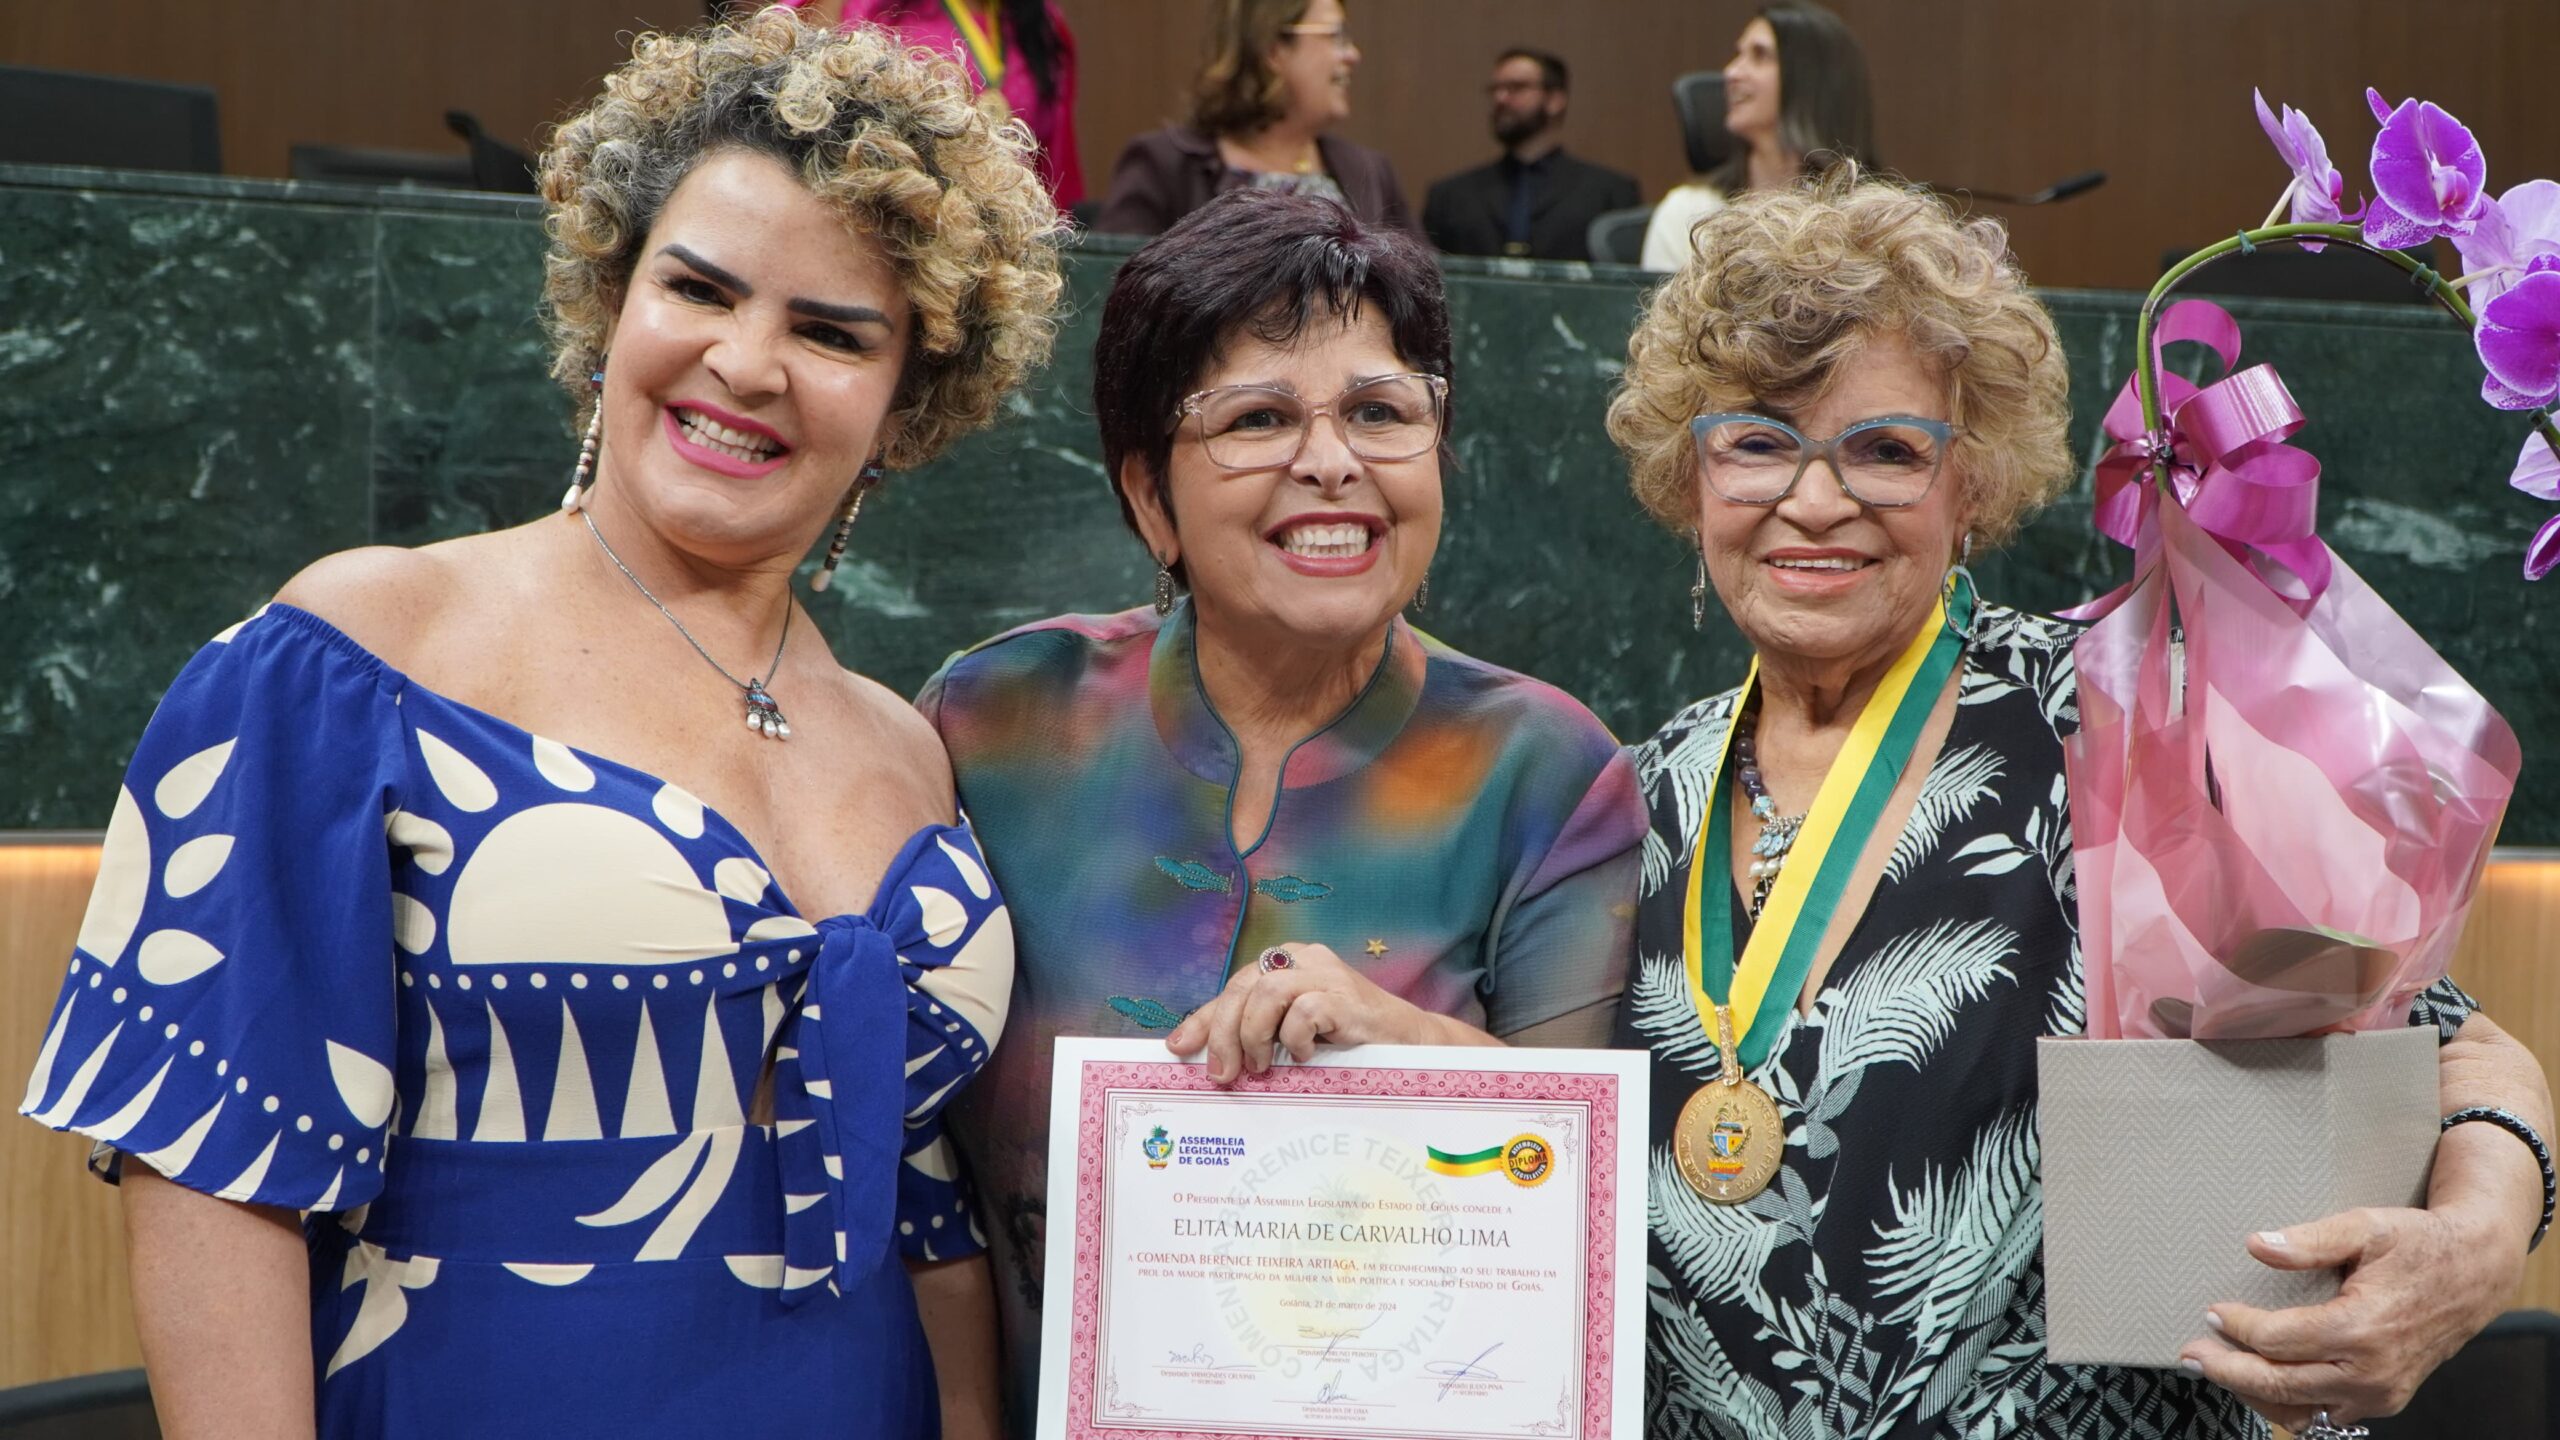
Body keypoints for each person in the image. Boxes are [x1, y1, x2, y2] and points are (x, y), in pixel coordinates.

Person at [16, 13, 1061, 1437]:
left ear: (906, 401)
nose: (747, 362)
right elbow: (211, 1170)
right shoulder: (363, 651)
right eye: (698, 288)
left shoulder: (906, 740)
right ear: (611, 299)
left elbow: (923, 1215)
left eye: (830, 332)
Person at [1607, 170, 2555, 1437]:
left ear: (1974, 483)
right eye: (1757, 441)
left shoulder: (2120, 720)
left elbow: (2453, 1045)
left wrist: (2474, 1250)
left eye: (1885, 450)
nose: (1815, 499)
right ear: (1691, 477)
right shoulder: (1631, 796)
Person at [917, 188, 1643, 1429]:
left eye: (1379, 411)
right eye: (1258, 418)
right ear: (1151, 497)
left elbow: (1579, 1194)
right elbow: (908, 1168)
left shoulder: (1547, 773)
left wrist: (1397, 1039)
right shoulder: (992, 724)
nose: (1330, 461)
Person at [1094, 0, 1414, 238]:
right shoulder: (1163, 167)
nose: (1353, 54)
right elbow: (1114, 290)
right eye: (1336, 36)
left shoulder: (1370, 171)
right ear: (1273, 49)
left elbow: (1427, 294)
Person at [1640, 0, 1875, 273]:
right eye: (1739, 54)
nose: (1731, 72)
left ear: (1811, 80)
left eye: (1760, 55)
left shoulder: (1868, 220)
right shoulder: (1687, 213)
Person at [786, 0, 1086, 209]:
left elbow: (1053, 173)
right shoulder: (859, 5)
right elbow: (801, 127)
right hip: (886, 223)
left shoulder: (1041, 25)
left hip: (999, 239)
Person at [1422, 48, 1640, 262]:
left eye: (1516, 87)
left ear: (1555, 100)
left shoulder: (1610, 193)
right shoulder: (1450, 196)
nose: (1500, 98)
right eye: (1495, 89)